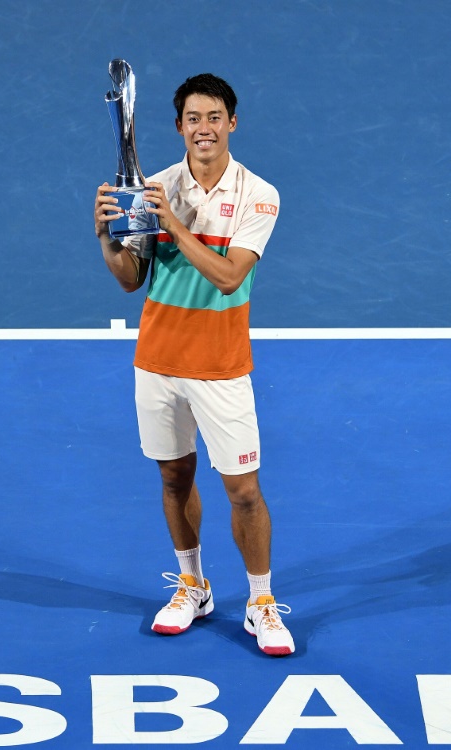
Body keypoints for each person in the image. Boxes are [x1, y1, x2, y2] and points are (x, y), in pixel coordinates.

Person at [93, 73, 294, 656]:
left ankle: (260, 602)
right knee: (174, 477)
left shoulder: (259, 195)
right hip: (157, 362)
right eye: (192, 119)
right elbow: (132, 281)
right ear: (179, 126)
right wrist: (108, 236)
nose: (203, 129)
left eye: (214, 118)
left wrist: (170, 225)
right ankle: (192, 585)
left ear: (231, 123)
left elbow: (231, 276)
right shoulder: (153, 186)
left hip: (223, 367)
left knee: (244, 492)